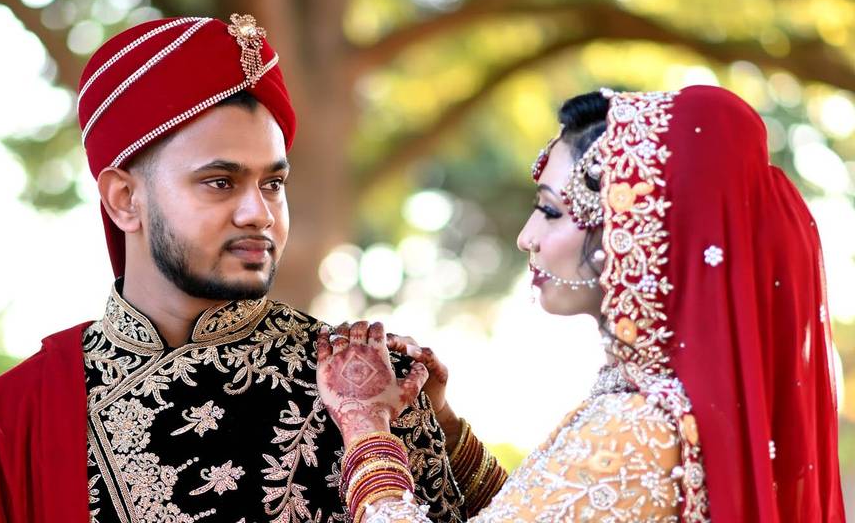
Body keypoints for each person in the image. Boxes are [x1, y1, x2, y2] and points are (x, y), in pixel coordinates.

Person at [0, 15, 464, 523]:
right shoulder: (7, 425)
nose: (260, 213)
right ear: (124, 199)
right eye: (220, 182)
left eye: (273, 183)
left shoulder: (367, 388)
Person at [317, 85, 847, 522]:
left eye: (550, 211)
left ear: (633, 228)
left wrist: (366, 427)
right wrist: (448, 428)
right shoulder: (659, 405)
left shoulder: (643, 428)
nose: (527, 237)